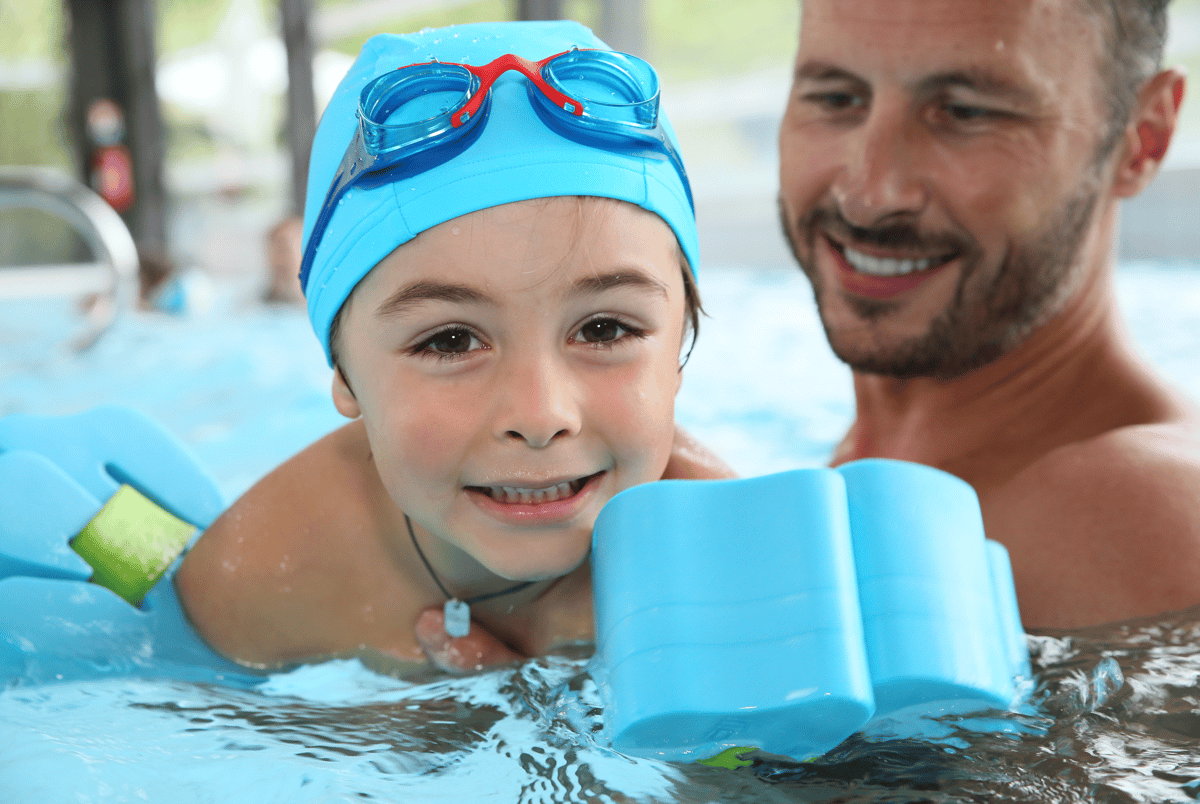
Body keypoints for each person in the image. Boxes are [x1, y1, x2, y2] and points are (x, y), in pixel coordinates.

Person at [175, 21, 732, 674]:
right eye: (451, 340)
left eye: (605, 329)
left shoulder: (723, 567)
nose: (540, 413)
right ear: (347, 377)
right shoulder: (261, 579)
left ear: (677, 354)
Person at [777, 0, 1200, 629]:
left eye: (965, 112)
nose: (869, 194)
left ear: (1142, 137)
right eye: (837, 98)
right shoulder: (863, 480)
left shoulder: (1141, 516)